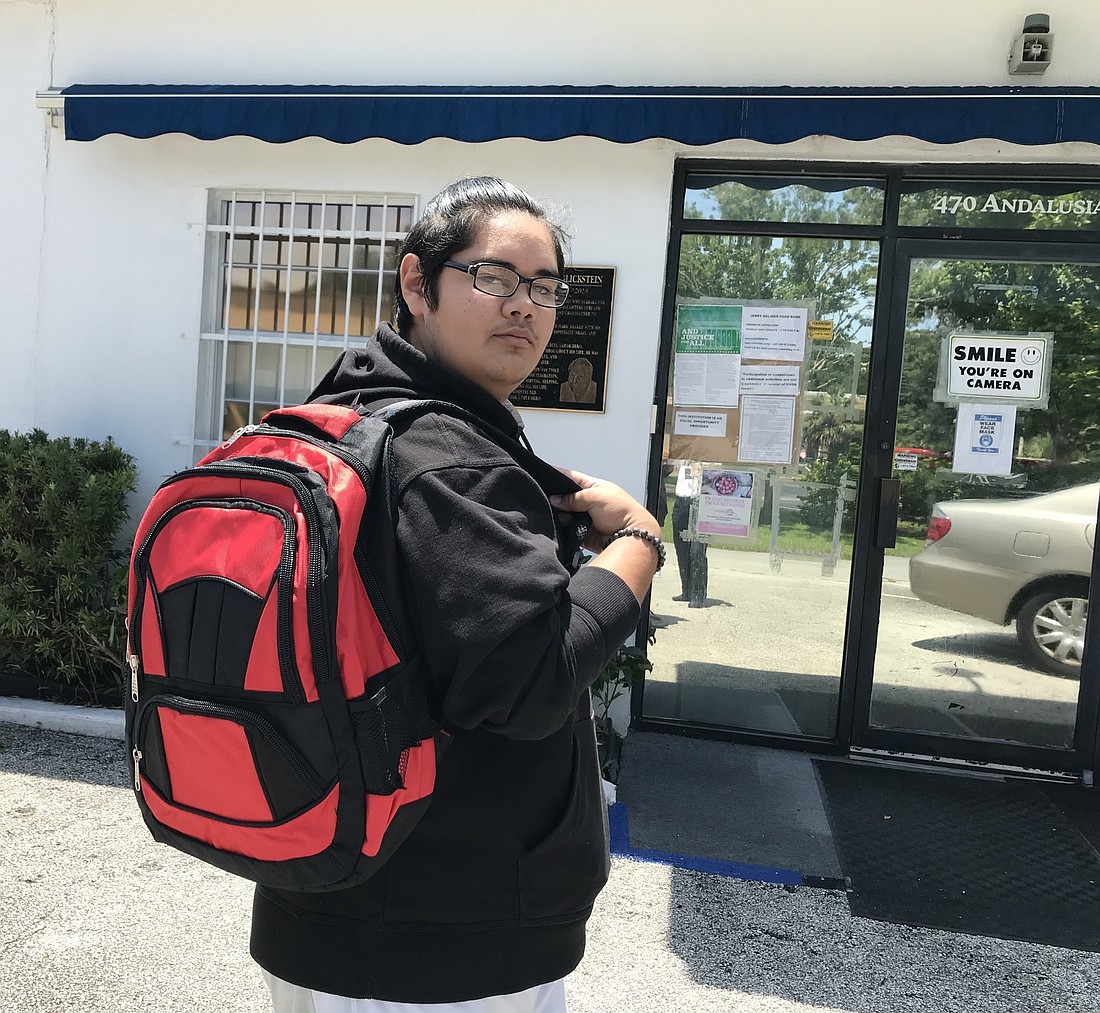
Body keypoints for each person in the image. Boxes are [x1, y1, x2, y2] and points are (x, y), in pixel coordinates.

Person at [252, 177, 662, 1012]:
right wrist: (638, 547)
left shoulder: (349, 415)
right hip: (443, 939)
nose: (526, 307)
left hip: (319, 887)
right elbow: (533, 680)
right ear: (416, 284)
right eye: (494, 277)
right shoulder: (450, 457)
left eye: (545, 287)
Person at [671, 462, 709, 607]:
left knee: (697, 550)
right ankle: (686, 590)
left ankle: (698, 594)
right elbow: (669, 468)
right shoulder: (681, 454)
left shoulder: (709, 455)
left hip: (701, 501)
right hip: (681, 501)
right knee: (681, 548)